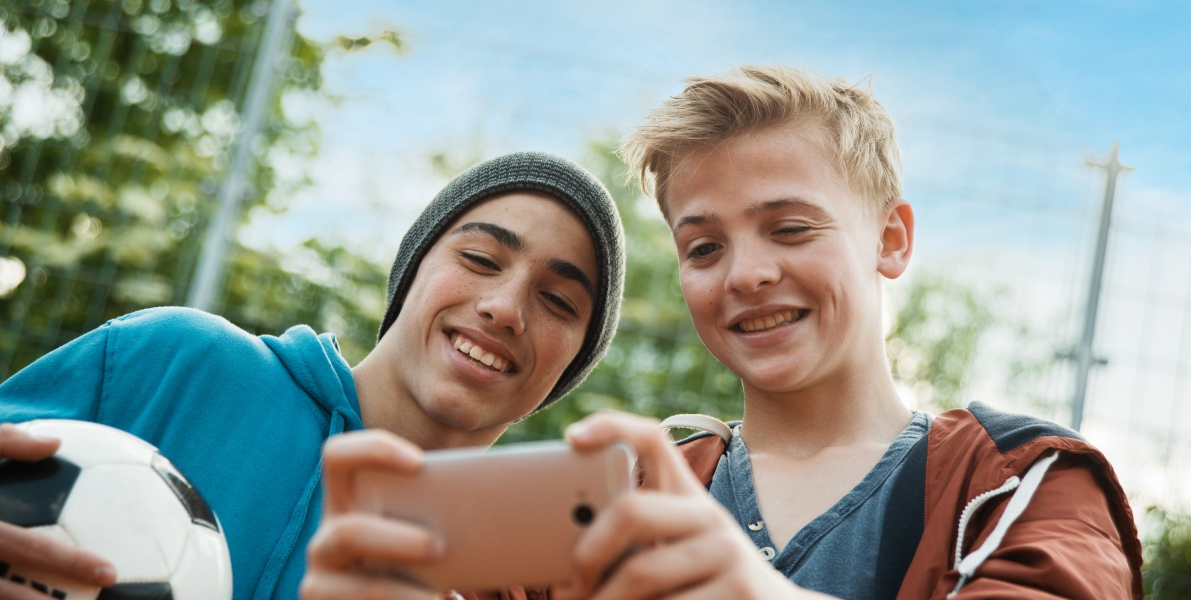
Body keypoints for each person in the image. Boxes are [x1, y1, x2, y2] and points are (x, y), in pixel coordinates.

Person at [304, 64, 1141, 600]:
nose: (745, 274)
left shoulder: (1025, 485)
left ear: (891, 240)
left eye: (790, 228)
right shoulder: (607, 494)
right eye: (705, 246)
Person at [0, 151, 626, 600]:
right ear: (412, 272)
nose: (505, 308)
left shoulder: (520, 572)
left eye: (560, 303)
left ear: (572, 362)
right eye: (481, 258)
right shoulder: (176, 361)